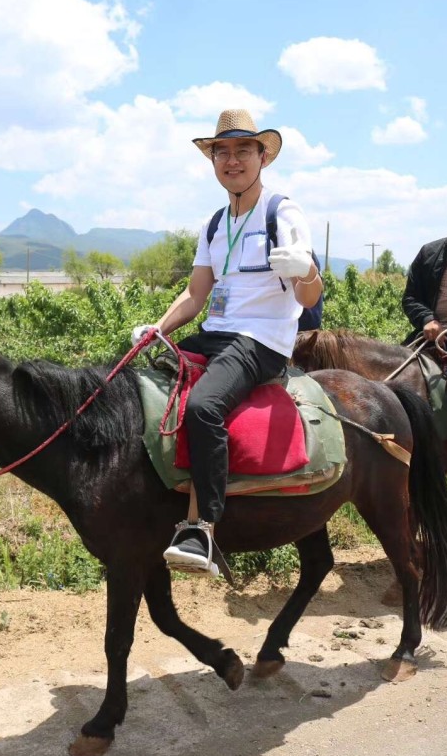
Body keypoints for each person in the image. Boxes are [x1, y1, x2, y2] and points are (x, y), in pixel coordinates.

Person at [131, 108, 322, 577]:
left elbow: (309, 295)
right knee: (143, 383)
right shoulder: (215, 223)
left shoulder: (282, 211)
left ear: (263, 157)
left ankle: (202, 528)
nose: (231, 160)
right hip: (217, 333)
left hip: (263, 339)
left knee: (203, 406)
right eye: (222, 152)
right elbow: (196, 293)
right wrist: (157, 330)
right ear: (213, 160)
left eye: (242, 151)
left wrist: (308, 270)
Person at [402, 193, 447, 485]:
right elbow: (410, 298)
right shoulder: (429, 253)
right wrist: (427, 320)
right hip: (431, 335)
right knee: (391, 378)